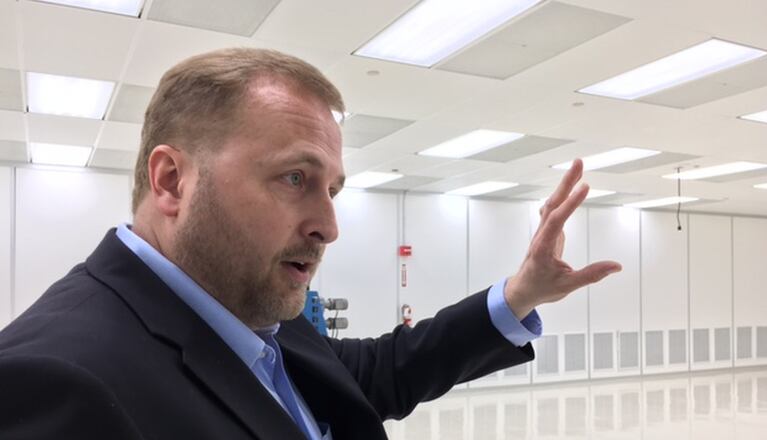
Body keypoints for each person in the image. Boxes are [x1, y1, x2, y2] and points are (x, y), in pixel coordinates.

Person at [0, 48, 620, 439]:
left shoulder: (254, 307)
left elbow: (373, 376)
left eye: (333, 189)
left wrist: (516, 297)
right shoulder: (55, 383)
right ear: (172, 181)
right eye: (295, 178)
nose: (329, 224)